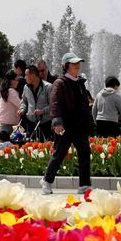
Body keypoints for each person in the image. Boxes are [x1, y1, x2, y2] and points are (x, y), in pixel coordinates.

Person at [40, 52, 93, 195]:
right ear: (66, 66)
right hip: (65, 125)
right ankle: (47, 180)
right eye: (73, 63)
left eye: (78, 63)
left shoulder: (80, 82)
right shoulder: (60, 82)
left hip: (80, 125)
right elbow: (55, 103)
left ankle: (85, 185)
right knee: (60, 153)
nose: (77, 66)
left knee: (84, 153)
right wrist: (57, 122)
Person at [19, 65, 52, 140]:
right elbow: (24, 101)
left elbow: (53, 105)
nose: (24, 77)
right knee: (30, 147)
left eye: (26, 75)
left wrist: (43, 111)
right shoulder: (26, 87)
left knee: (46, 147)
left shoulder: (48, 87)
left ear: (33, 75)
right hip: (30, 123)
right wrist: (22, 109)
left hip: (45, 124)